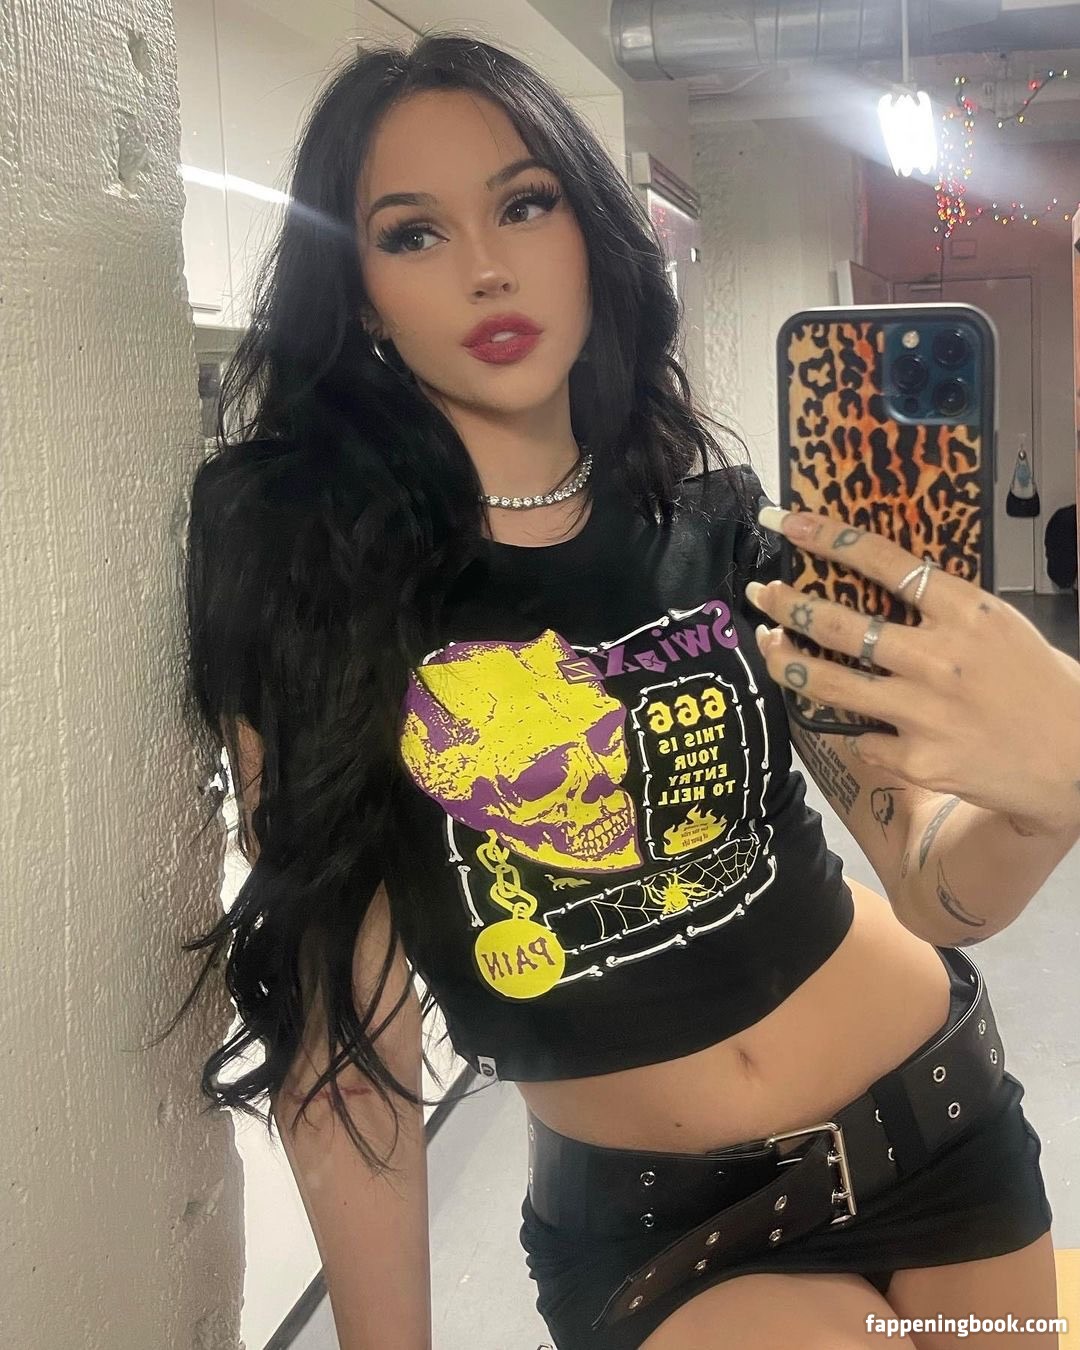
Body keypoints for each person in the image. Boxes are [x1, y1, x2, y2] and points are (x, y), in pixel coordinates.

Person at [170, 33, 1080, 1350]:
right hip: (664, 1234)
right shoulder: (313, 580)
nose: (486, 265)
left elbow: (937, 883)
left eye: (524, 204)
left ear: (590, 235)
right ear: (361, 295)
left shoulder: (719, 531)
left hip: (942, 1123)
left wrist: (1055, 787)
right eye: (413, 233)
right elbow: (342, 1042)